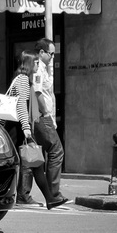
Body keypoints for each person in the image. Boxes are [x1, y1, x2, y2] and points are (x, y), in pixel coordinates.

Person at [7, 50, 67, 210]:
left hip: (20, 127)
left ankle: (50, 199)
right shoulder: (22, 80)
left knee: (35, 163)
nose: (37, 65)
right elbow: (20, 104)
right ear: (28, 63)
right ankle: (46, 198)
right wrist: (26, 129)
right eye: (35, 62)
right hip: (17, 128)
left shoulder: (24, 79)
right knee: (33, 163)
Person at [32, 37, 70, 206]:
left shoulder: (43, 68)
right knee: (56, 150)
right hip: (42, 116)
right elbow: (38, 93)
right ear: (41, 52)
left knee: (35, 159)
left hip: (40, 117)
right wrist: (46, 113)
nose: (52, 57)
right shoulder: (38, 68)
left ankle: (47, 196)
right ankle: (53, 194)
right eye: (51, 53)